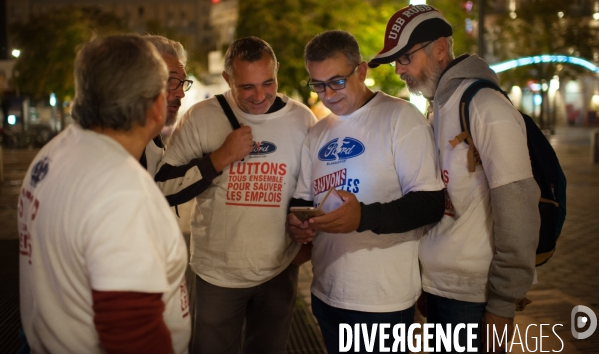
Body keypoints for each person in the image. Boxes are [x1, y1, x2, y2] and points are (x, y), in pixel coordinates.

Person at [368, 4, 541, 352]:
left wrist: (503, 303)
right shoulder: (439, 107)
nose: (399, 69)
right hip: (440, 289)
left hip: (474, 297)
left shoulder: (485, 107)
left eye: (405, 58)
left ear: (441, 49)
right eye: (395, 61)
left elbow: (519, 205)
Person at [18, 35, 191, 354]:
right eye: (167, 86)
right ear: (154, 105)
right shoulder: (123, 192)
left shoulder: (53, 153)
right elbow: (132, 333)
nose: (177, 93)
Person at [287, 30, 445, 353]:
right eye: (317, 84)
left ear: (361, 71)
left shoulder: (400, 118)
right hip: (326, 293)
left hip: (382, 302)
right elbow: (305, 199)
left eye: (336, 81)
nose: (327, 94)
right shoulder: (317, 134)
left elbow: (430, 203)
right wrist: (298, 222)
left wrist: (362, 216)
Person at [156, 36, 317, 353]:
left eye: (267, 83)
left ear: (277, 72)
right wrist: (219, 158)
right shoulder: (201, 116)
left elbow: (309, 187)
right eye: (247, 87)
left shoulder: (301, 119)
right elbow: (162, 187)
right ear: (228, 79)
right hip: (218, 273)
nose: (260, 96)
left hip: (279, 269)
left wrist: (304, 229)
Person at [140, 34, 192, 177]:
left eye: (182, 82)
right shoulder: (110, 144)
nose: (181, 93)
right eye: (170, 80)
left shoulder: (153, 140)